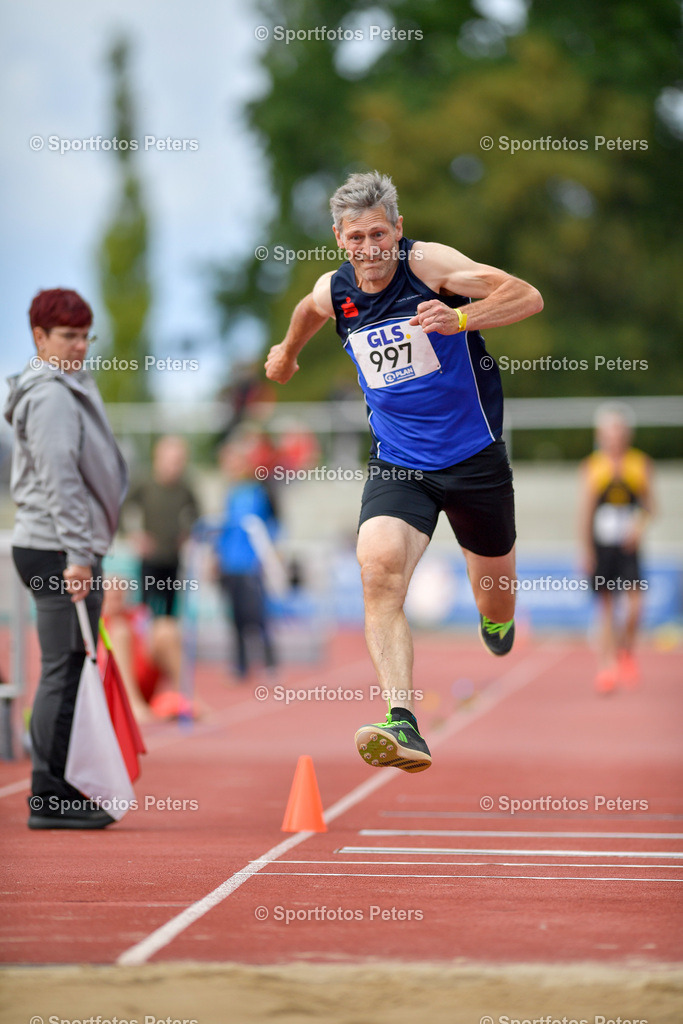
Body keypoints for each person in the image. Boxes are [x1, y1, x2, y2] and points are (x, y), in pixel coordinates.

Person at [265, 170, 543, 772]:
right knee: (379, 573)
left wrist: (460, 320)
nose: (370, 249)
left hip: (473, 459)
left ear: (398, 230)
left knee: (494, 596)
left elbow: (527, 295)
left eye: (379, 235)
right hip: (401, 463)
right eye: (356, 237)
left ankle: (497, 618)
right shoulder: (335, 288)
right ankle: (404, 722)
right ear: (340, 237)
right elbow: (307, 311)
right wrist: (287, 354)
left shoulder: (431, 266)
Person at [5, 288, 128, 828]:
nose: (80, 347)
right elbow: (61, 484)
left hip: (63, 547)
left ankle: (59, 787)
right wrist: (79, 556)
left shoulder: (68, 385)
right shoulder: (52, 396)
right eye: (68, 337)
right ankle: (49, 797)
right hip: (59, 550)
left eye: (85, 336)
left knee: (71, 667)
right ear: (39, 338)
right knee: (61, 669)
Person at [578, 403, 654, 694]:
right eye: (609, 432)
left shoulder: (640, 463)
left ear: (627, 434)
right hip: (602, 548)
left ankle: (626, 650)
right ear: (601, 435)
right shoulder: (592, 466)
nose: (615, 437)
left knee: (635, 607)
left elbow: (650, 507)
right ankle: (606, 667)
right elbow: (585, 515)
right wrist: (585, 551)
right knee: (606, 609)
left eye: (620, 431)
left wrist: (638, 527)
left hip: (629, 547)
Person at [214, 435, 279, 681]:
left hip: (252, 562)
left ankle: (270, 663)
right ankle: (240, 666)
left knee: (258, 615)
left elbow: (272, 523)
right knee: (235, 617)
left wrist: (268, 553)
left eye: (235, 461)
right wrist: (217, 556)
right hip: (229, 564)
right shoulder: (229, 492)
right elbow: (225, 528)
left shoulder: (259, 489)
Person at [125, 435, 199, 617]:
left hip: (173, 557)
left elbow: (197, 513)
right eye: (171, 461)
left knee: (170, 609)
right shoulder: (145, 483)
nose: (175, 467)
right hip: (150, 558)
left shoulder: (184, 487)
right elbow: (123, 506)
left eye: (179, 461)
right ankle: (145, 644)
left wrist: (187, 533)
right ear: (158, 458)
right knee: (145, 608)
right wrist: (134, 534)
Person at [100, 577, 191, 723]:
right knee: (119, 631)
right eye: (111, 593)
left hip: (141, 673)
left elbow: (150, 640)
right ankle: (131, 704)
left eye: (119, 593)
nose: (115, 597)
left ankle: (188, 697)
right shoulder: (96, 621)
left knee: (166, 627)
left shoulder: (138, 615)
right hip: (108, 682)